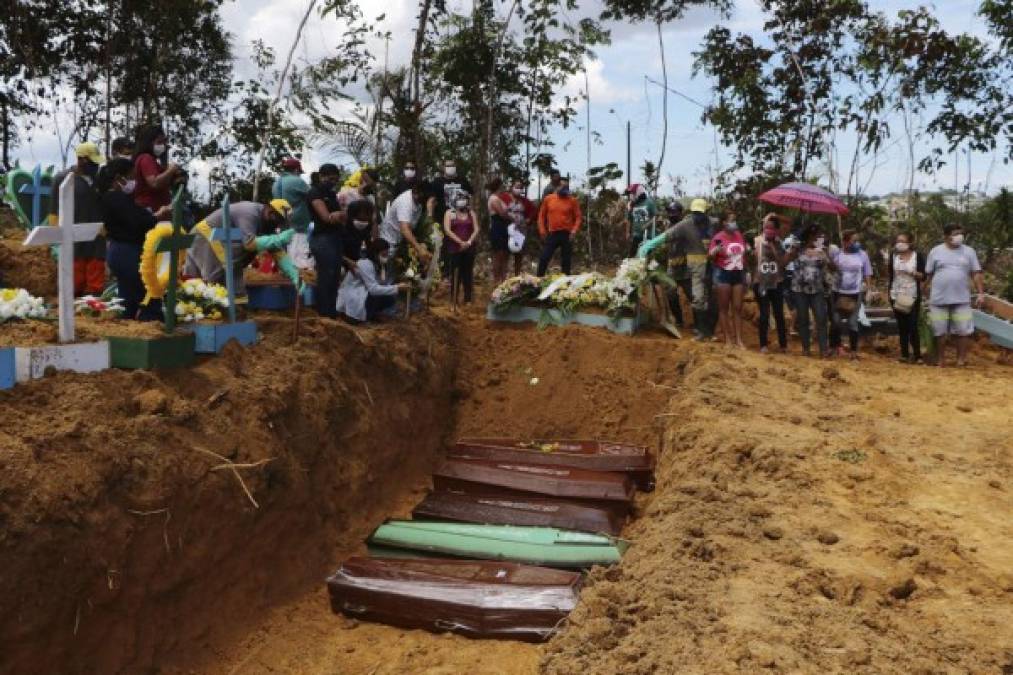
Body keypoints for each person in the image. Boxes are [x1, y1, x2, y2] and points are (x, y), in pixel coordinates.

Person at [99, 157, 171, 320]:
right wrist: (157, 216)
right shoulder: (116, 198)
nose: (134, 182)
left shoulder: (115, 198)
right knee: (148, 294)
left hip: (121, 251)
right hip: (126, 252)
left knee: (129, 299)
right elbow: (137, 222)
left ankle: (129, 323)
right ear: (119, 178)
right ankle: (149, 323)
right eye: (131, 178)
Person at [184, 200, 295, 294]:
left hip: (222, 236)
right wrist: (279, 239)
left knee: (233, 280)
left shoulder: (267, 223)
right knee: (213, 281)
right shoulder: (250, 213)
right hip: (208, 235)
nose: (278, 225)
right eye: (278, 221)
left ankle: (233, 307)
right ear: (270, 212)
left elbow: (275, 249)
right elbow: (249, 244)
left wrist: (293, 274)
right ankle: (206, 307)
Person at [50, 142, 108, 296]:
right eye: (92, 162)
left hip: (97, 235)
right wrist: (57, 232)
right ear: (81, 159)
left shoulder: (98, 180)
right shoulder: (62, 178)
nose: (95, 166)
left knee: (95, 277)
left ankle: (93, 307)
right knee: (74, 281)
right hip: (74, 236)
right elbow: (53, 210)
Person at [925, 223, 985, 367]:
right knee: (940, 331)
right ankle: (941, 360)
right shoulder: (935, 251)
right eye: (955, 233)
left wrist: (981, 293)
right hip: (939, 299)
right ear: (946, 236)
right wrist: (924, 291)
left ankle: (961, 359)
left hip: (961, 299)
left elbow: (976, 274)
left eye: (960, 233)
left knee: (963, 330)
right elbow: (929, 275)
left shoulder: (969, 252)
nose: (959, 236)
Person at [788, 226, 836, 357]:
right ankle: (806, 349)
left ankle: (823, 350)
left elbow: (833, 268)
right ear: (810, 236)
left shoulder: (821, 252)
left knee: (821, 318)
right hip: (799, 288)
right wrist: (793, 250)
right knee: (803, 318)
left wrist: (826, 254)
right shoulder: (798, 250)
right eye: (817, 235)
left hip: (817, 289)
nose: (819, 238)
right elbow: (786, 261)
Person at [336, 239, 409, 322]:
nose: (386, 257)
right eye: (383, 254)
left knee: (389, 298)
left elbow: (382, 283)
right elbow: (373, 289)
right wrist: (397, 288)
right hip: (354, 296)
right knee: (380, 296)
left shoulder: (378, 265)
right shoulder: (365, 264)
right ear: (375, 253)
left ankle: (372, 314)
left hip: (363, 294)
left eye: (387, 254)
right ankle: (365, 317)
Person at [307, 163, 346, 318]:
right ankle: (323, 312)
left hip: (335, 238)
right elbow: (326, 217)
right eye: (330, 178)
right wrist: (340, 215)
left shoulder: (331, 194)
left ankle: (331, 310)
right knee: (326, 275)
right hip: (322, 239)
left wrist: (340, 215)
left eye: (336, 180)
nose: (333, 182)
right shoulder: (314, 193)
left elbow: (339, 217)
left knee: (335, 276)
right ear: (322, 176)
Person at [830, 229, 875, 360]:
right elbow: (830, 269)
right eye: (853, 240)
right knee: (836, 320)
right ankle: (834, 347)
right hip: (837, 291)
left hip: (855, 292)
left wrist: (868, 288)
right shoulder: (837, 254)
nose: (856, 243)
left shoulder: (862, 255)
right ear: (845, 241)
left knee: (852, 322)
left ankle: (854, 351)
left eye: (857, 241)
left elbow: (867, 273)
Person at [709, 210, 748, 349]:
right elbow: (711, 257)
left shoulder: (739, 235)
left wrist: (746, 271)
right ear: (724, 222)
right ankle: (728, 340)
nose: (734, 223)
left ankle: (738, 339)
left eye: (734, 220)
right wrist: (715, 252)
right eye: (731, 220)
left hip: (738, 273)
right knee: (724, 308)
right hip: (723, 273)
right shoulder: (718, 238)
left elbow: (743, 254)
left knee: (737, 307)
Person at [888, 232, 926, 363]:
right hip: (896, 294)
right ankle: (904, 354)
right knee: (902, 325)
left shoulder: (917, 256)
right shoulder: (893, 256)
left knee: (913, 325)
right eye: (898, 240)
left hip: (912, 294)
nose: (900, 243)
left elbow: (923, 276)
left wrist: (912, 272)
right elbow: (890, 275)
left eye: (903, 241)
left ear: (910, 243)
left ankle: (917, 355)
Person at [753, 214, 788, 353]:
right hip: (761, 281)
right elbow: (753, 259)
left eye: (772, 228)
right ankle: (763, 344)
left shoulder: (779, 243)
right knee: (764, 313)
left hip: (777, 282)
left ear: (776, 230)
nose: (769, 230)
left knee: (779, 313)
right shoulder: (756, 241)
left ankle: (783, 344)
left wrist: (773, 247)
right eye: (767, 227)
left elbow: (782, 262)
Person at [379, 182, 430, 274]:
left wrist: (420, 245)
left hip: (400, 242)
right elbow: (405, 229)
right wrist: (419, 249)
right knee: (385, 275)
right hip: (388, 242)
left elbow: (411, 227)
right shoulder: (405, 203)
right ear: (417, 193)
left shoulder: (419, 203)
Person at [272, 157, 313, 269]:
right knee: (301, 264)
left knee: (286, 261)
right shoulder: (297, 181)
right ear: (296, 170)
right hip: (298, 228)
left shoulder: (276, 184)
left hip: (282, 227)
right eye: (299, 172)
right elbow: (313, 196)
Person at [536, 177, 582, 276]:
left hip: (567, 234)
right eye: (562, 185)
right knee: (544, 257)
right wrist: (542, 230)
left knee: (566, 260)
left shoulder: (572, 200)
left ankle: (565, 282)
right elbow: (541, 216)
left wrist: (574, 231)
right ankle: (538, 280)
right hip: (552, 233)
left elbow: (578, 217)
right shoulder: (549, 199)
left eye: (566, 186)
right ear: (557, 186)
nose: (564, 188)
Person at [133, 124, 182, 212]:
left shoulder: (154, 162)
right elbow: (154, 183)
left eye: (163, 143)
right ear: (148, 143)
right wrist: (171, 169)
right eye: (159, 142)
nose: (162, 146)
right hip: (150, 211)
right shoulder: (146, 158)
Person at [443, 192, 478, 303]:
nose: (462, 200)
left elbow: (476, 229)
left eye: (464, 198)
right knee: (455, 274)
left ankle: (467, 299)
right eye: (459, 198)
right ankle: (454, 299)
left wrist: (469, 242)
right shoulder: (449, 213)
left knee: (467, 273)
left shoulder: (471, 213)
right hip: (454, 248)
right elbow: (447, 230)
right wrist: (460, 242)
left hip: (469, 248)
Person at [503, 179, 536, 276]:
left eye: (520, 187)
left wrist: (529, 219)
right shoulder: (505, 197)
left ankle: (516, 275)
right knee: (505, 252)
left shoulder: (525, 201)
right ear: (511, 187)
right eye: (516, 187)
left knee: (518, 252)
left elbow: (534, 210)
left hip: (520, 230)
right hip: (507, 228)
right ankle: (504, 276)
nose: (518, 189)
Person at [487, 177, 512, 284]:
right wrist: (513, 218)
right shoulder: (494, 199)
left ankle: (503, 279)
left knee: (505, 254)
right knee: (498, 254)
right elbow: (502, 214)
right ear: (498, 186)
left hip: (504, 227)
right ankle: (497, 280)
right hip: (498, 227)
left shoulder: (498, 198)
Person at [624, 184, 658, 258]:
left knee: (648, 256)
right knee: (631, 255)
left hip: (648, 235)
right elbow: (629, 219)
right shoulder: (632, 205)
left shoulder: (649, 202)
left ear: (639, 192)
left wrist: (648, 224)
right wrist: (627, 232)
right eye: (630, 194)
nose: (631, 196)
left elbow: (656, 217)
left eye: (632, 193)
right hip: (636, 235)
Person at [342, 199, 376, 270]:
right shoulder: (343, 230)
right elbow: (337, 253)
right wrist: (348, 261)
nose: (368, 216)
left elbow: (374, 245)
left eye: (369, 213)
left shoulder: (368, 228)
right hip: (348, 265)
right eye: (366, 212)